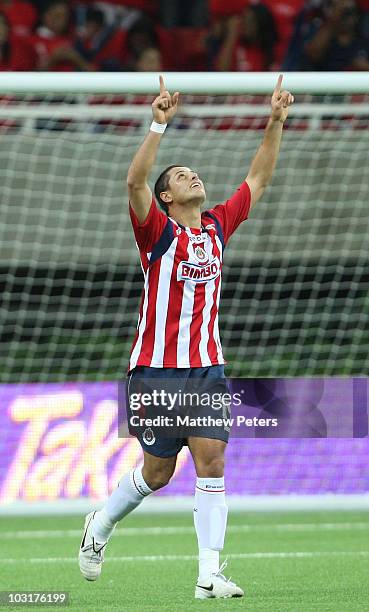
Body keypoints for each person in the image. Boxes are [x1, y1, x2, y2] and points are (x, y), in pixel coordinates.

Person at [78, 74, 294, 599]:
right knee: (156, 473)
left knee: (212, 460)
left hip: (206, 368)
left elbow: (258, 180)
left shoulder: (218, 225)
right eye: (180, 175)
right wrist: (158, 124)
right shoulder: (156, 233)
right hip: (153, 369)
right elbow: (134, 184)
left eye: (192, 172)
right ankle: (100, 525)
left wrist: (276, 121)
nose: (192, 176)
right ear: (167, 199)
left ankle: (208, 575)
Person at [210, 3, 278, 71]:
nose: (245, 24)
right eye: (244, 19)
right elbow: (221, 70)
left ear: (261, 24)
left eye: (251, 21)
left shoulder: (272, 50)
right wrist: (231, 35)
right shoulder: (236, 44)